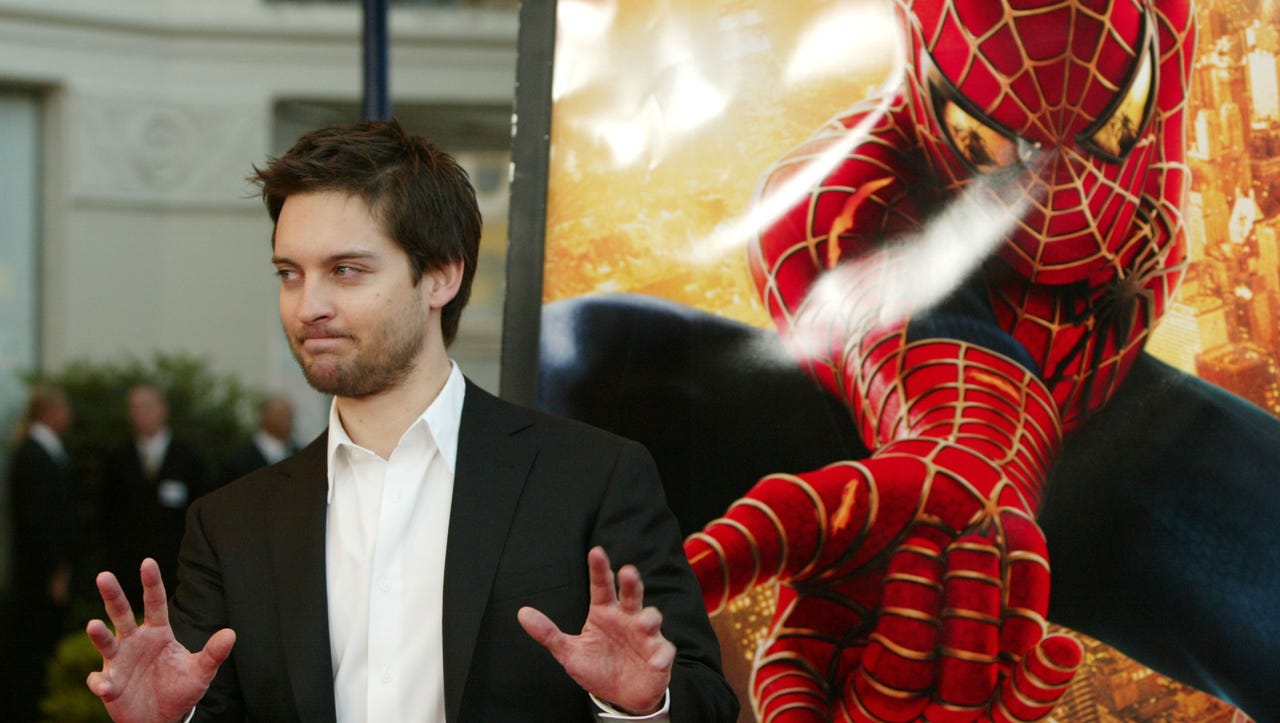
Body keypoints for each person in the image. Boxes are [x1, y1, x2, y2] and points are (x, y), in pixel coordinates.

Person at [84, 119, 738, 722]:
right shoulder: (232, 523)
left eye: (345, 270)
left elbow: (706, 697)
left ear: (441, 277)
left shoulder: (591, 479)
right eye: (290, 273)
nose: (308, 306)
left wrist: (639, 706)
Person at [3, 386, 81, 720]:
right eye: (65, 408)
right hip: (39, 577)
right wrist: (56, 570)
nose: (70, 416)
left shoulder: (42, 451)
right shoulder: (34, 455)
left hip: (42, 573)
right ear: (49, 412)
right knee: (33, 646)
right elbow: (38, 521)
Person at [100, 385, 207, 611]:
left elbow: (198, 513)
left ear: (163, 410)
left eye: (147, 407)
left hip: (176, 568)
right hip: (128, 568)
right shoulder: (117, 459)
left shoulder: (188, 458)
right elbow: (107, 514)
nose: (141, 414)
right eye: (135, 408)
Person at [217, 395, 296, 486]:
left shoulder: (299, 454)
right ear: (265, 416)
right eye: (282, 415)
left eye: (290, 416)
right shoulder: (239, 461)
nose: (289, 421)